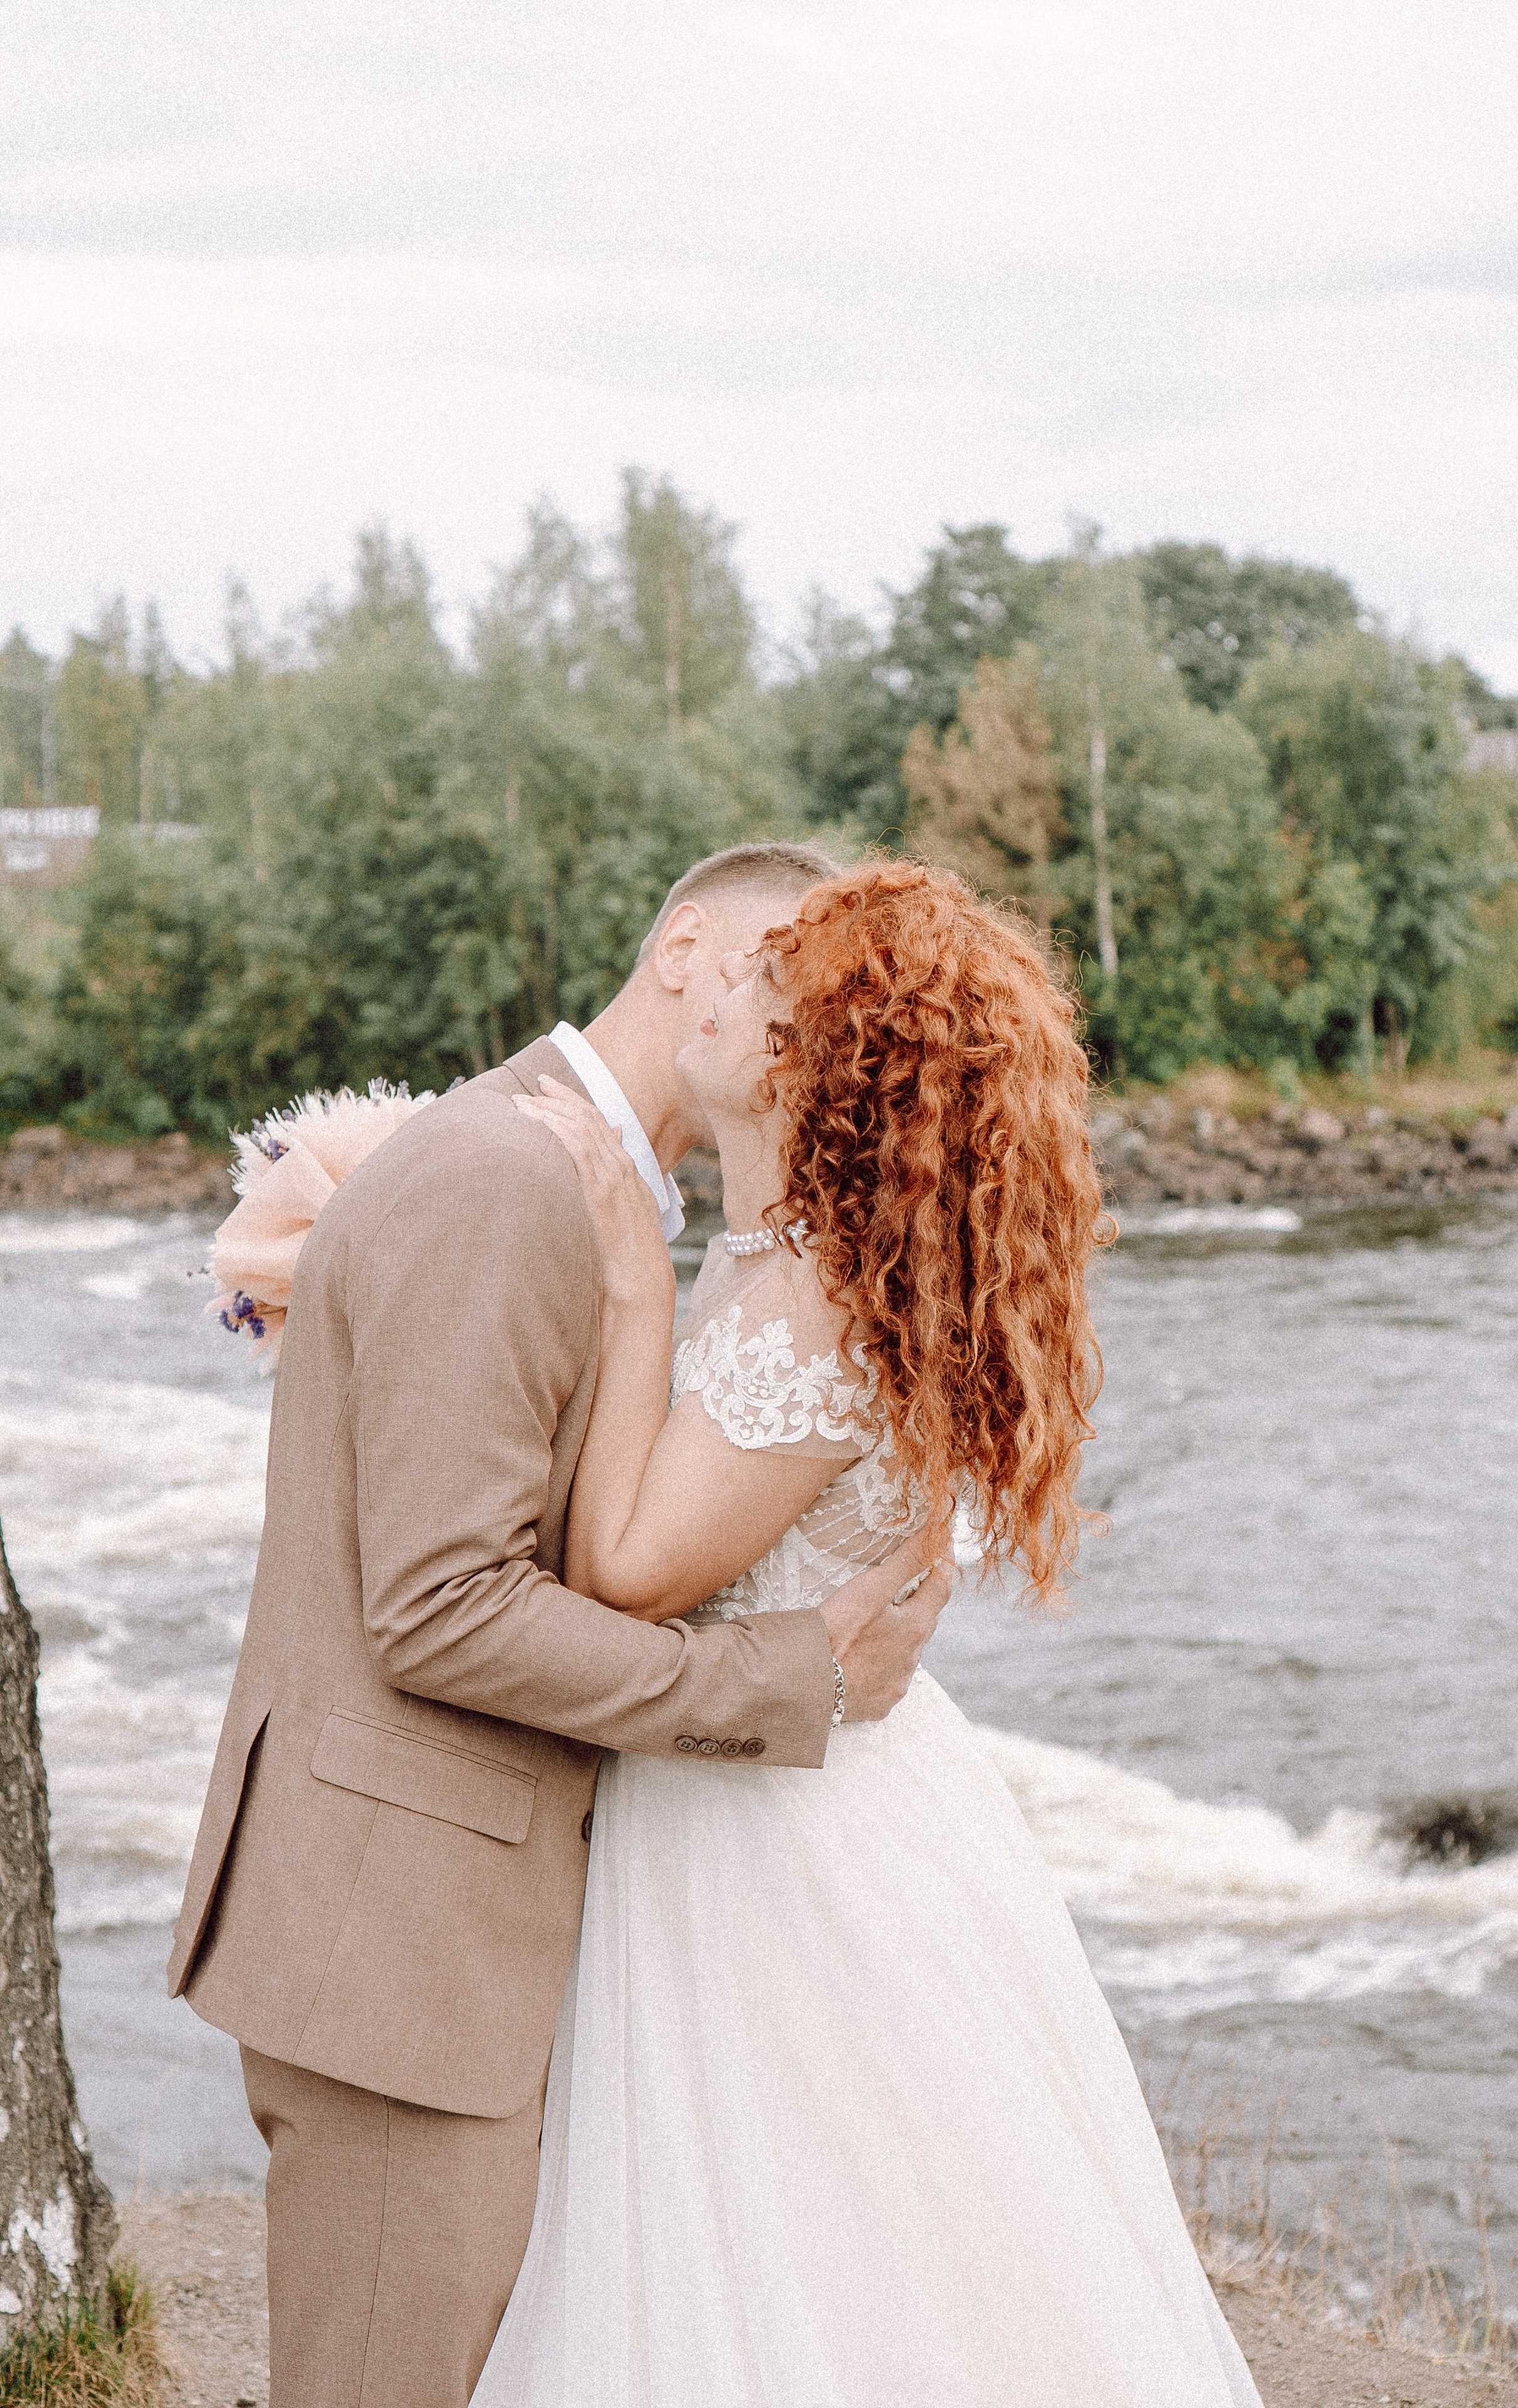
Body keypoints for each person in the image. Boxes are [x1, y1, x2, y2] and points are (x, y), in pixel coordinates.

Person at [168, 841, 951, 2408]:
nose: (800, 1024)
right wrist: (785, 1676)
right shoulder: (505, 1174)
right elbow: (440, 1611)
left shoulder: (605, 1195)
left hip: (485, 1934)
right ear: (684, 950)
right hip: (401, 1949)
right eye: (780, 978)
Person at [473, 860, 1263, 2407]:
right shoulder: (797, 1269)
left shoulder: (816, 1303)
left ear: (821, 1064)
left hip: (782, 1842)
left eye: (762, 979)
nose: (713, 983)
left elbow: (625, 1569)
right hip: (795, 1788)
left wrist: (630, 1285)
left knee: (829, 2247)